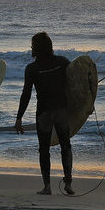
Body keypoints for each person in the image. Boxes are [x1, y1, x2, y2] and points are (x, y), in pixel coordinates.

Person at [15, 32, 74, 195]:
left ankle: (47, 187)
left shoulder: (32, 68)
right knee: (65, 146)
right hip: (61, 110)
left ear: (36, 48)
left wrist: (19, 117)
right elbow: (76, 85)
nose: (31, 48)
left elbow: (26, 94)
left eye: (33, 45)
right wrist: (86, 105)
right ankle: (68, 183)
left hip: (44, 113)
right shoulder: (62, 62)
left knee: (43, 149)